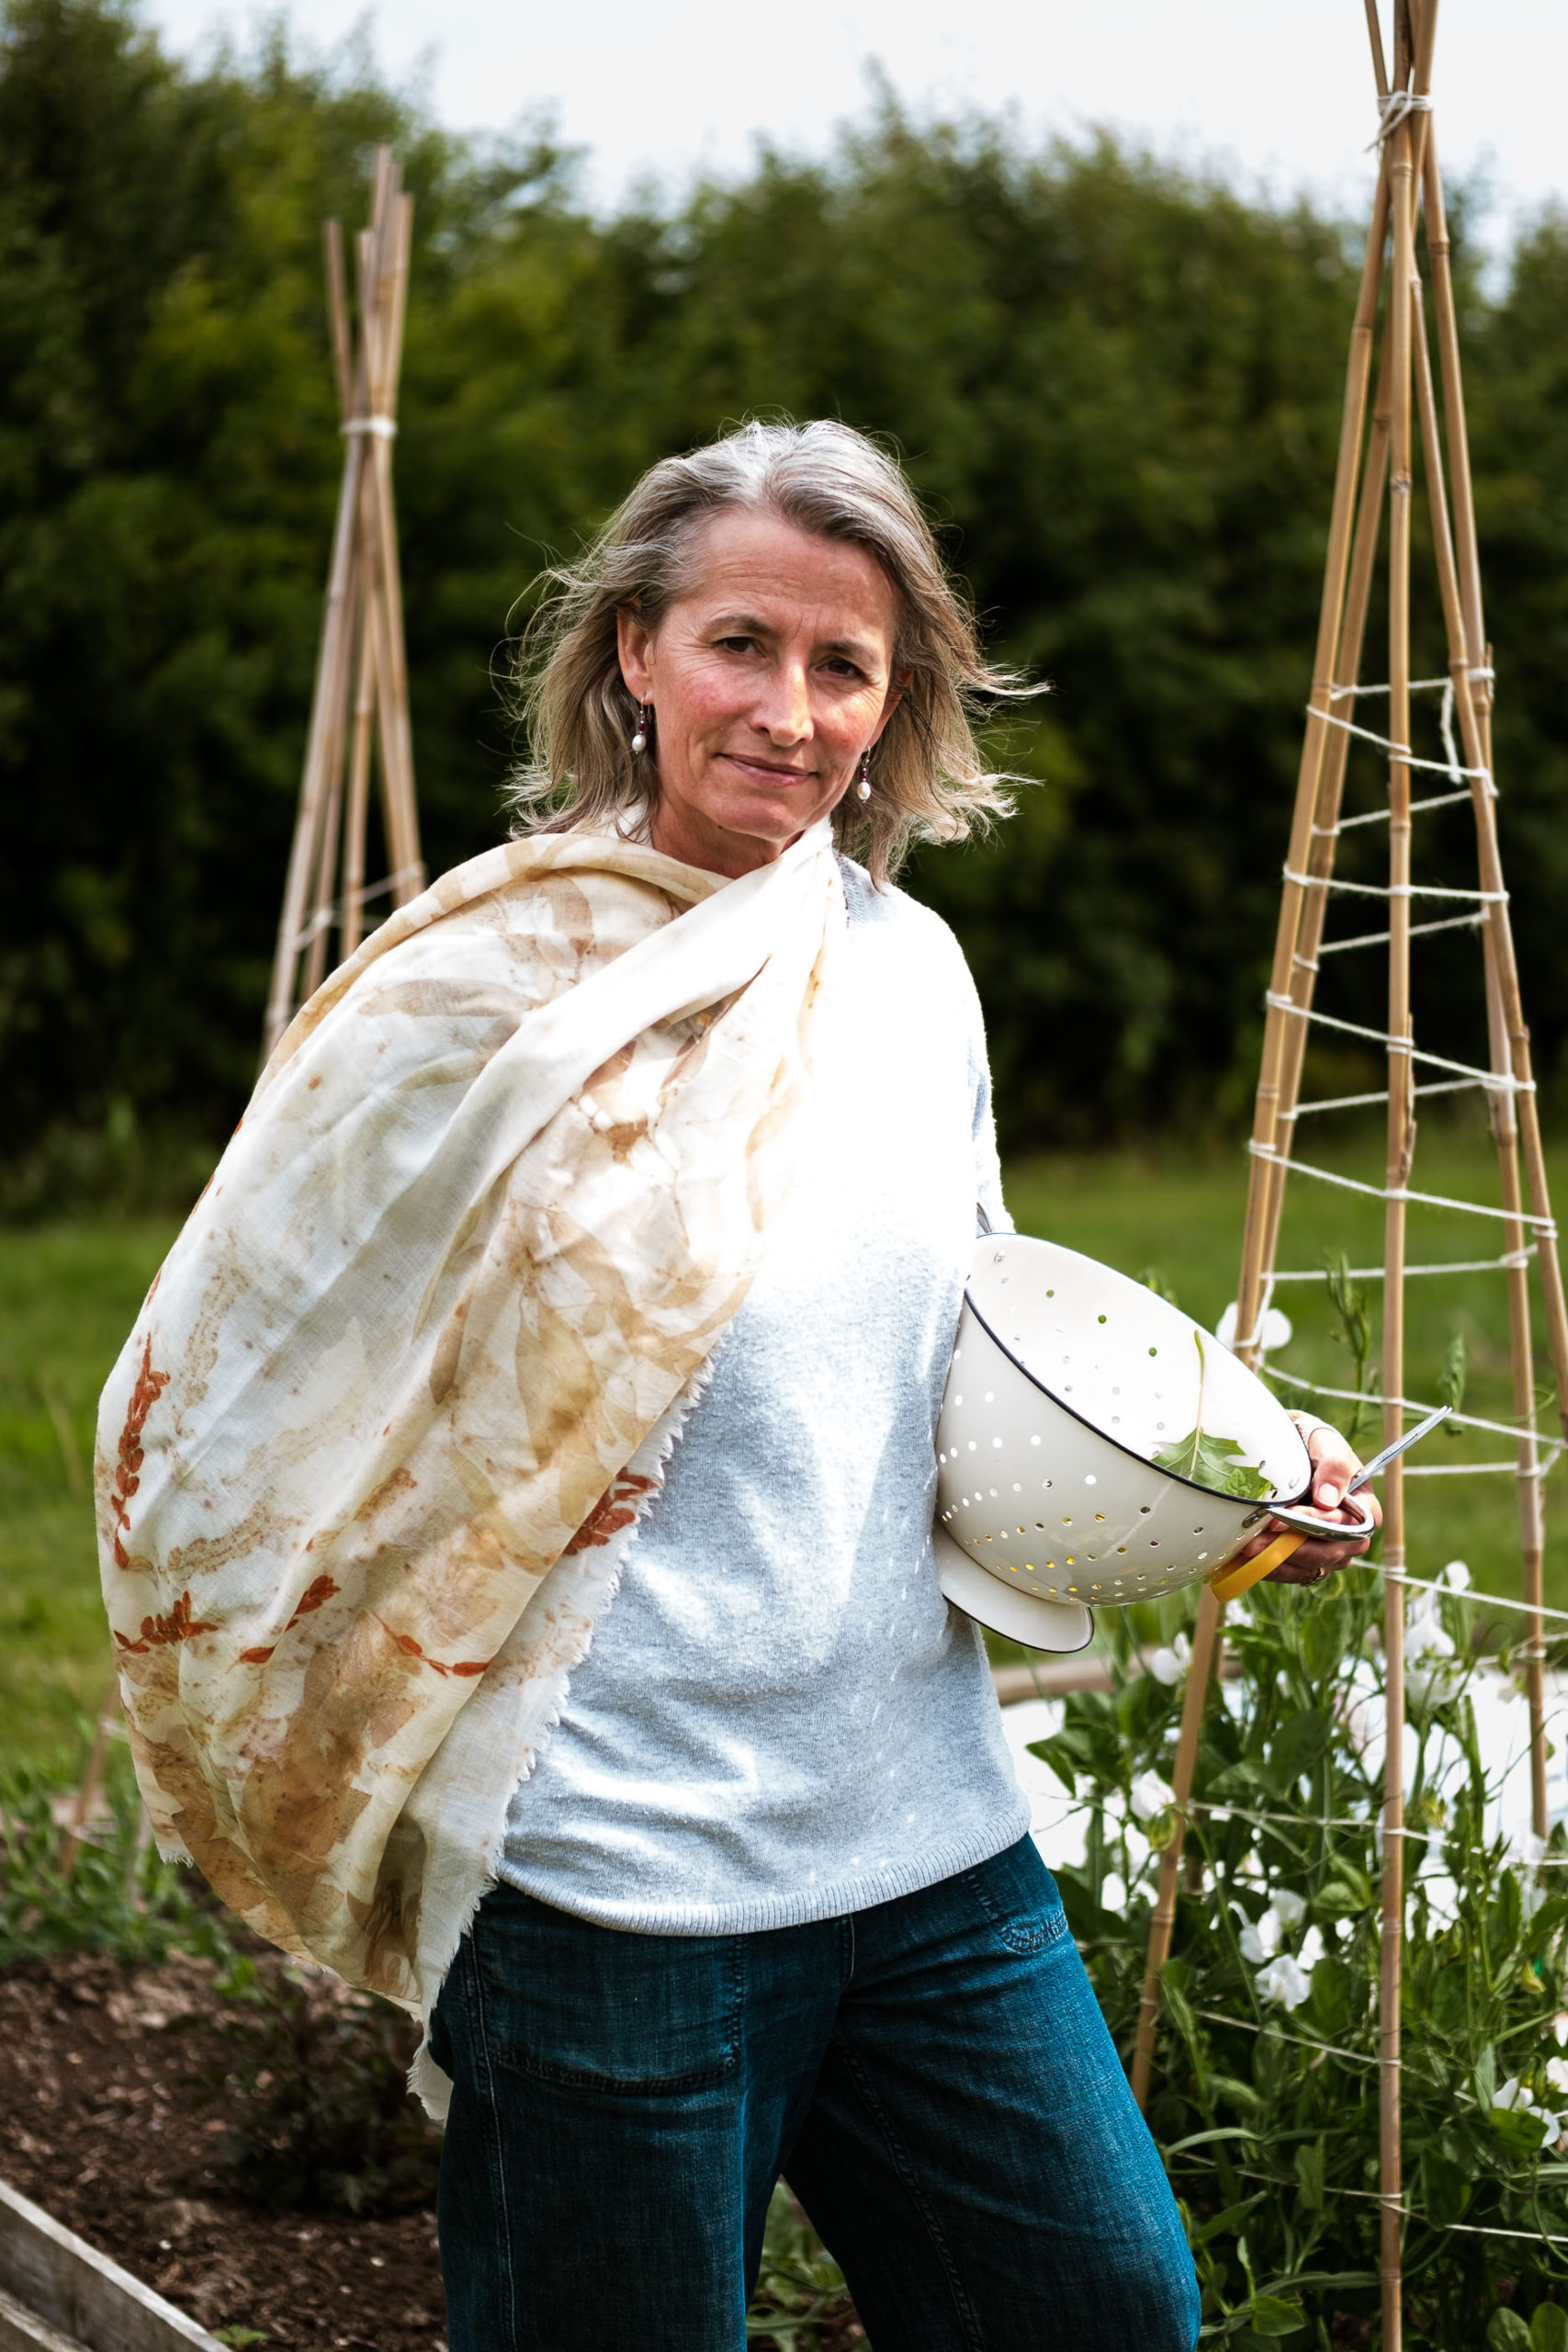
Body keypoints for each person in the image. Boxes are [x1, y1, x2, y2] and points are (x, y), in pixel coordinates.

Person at [97, 419, 1375, 2352]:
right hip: (615, 1887)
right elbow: (256, 1349)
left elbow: (961, 1350)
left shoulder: (906, 970)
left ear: (894, 699)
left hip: (927, 1844)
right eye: (737, 644)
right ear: (631, 651)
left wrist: (1223, 1475)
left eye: (840, 664)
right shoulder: (486, 989)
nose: (786, 709)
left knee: (1103, 2305)